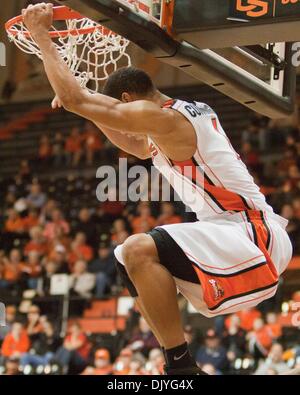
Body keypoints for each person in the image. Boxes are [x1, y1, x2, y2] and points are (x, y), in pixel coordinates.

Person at [23, 3, 293, 375]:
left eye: (123, 113)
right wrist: (87, 109)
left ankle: (180, 364)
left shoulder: (167, 120)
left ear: (130, 102)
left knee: (136, 247)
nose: (128, 123)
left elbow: (76, 99)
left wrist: (40, 34)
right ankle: (179, 363)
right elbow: (132, 144)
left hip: (253, 234)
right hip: (236, 230)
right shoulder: (182, 116)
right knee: (126, 257)